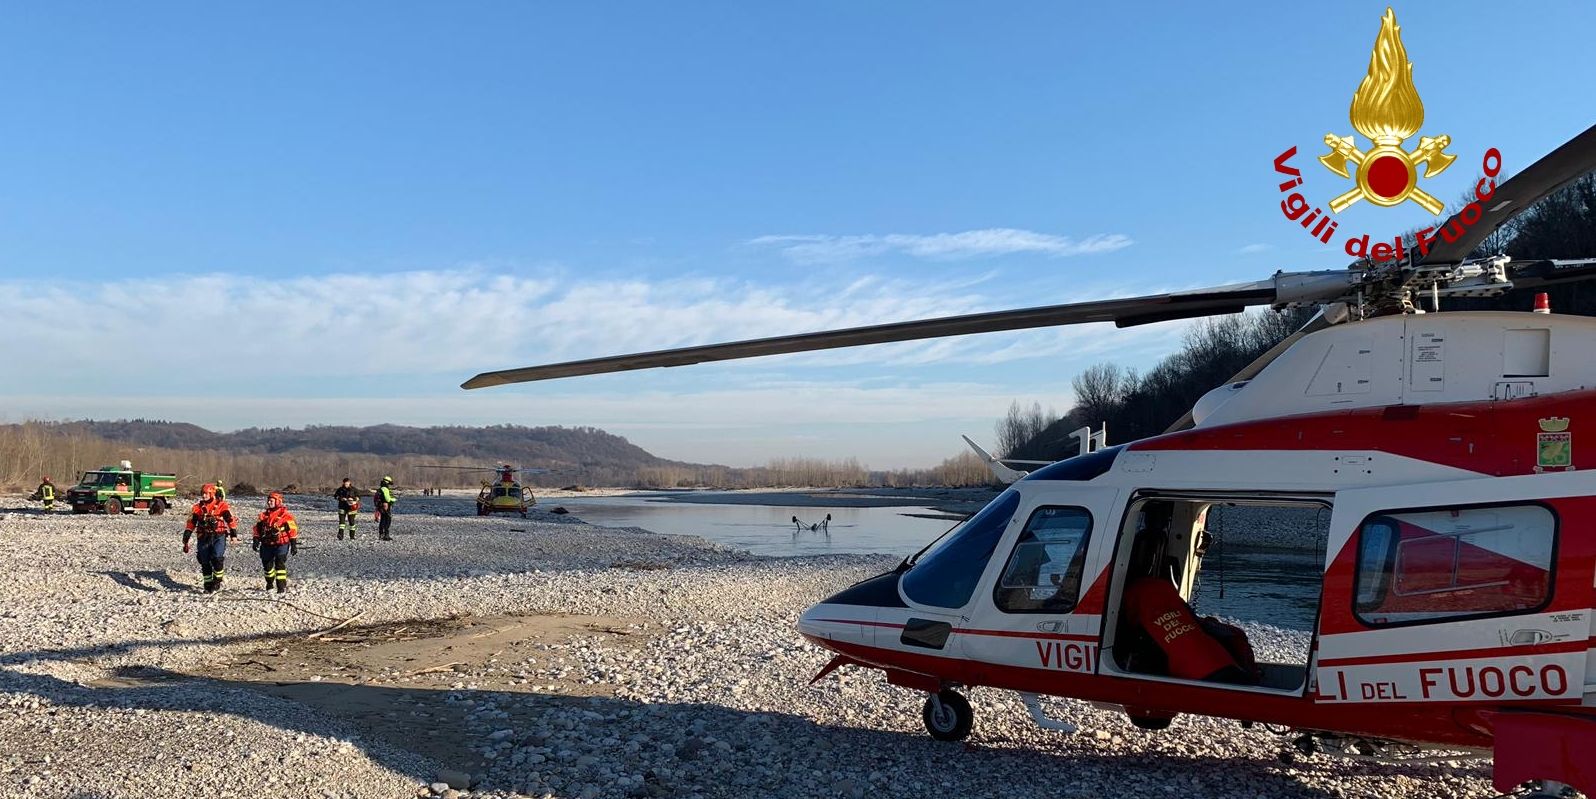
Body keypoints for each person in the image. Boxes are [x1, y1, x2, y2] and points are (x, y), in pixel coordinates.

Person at [183, 483, 238, 593]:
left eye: (206, 494)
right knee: (204, 561)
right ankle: (207, 585)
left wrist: (233, 535)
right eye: (202, 494)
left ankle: (217, 581)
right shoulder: (197, 508)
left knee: (217, 558)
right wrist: (186, 537)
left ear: (212, 494)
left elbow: (230, 520)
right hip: (203, 537)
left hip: (218, 536)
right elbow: (191, 523)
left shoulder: (222, 506)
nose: (204, 496)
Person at [252, 492, 299, 593]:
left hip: (281, 544)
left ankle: (281, 587)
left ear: (278, 502)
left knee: (280, 564)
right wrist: (255, 540)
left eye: (271, 501)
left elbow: (293, 530)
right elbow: (257, 529)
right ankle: (269, 583)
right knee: (267, 566)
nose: (269, 502)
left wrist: (293, 544)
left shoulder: (286, 516)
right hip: (266, 544)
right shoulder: (263, 515)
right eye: (268, 500)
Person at [374, 476, 396, 541]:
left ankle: (381, 535)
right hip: (385, 506)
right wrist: (393, 499)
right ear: (387, 482)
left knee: (382, 520)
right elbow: (387, 499)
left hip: (380, 506)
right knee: (387, 520)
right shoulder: (385, 489)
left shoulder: (380, 488)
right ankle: (386, 535)